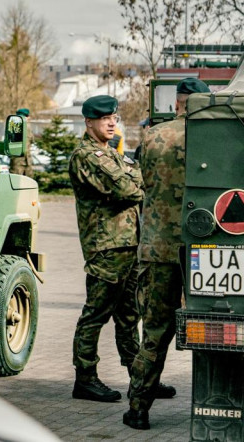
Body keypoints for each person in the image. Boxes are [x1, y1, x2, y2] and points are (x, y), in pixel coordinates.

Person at [123, 78, 209, 430]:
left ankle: (139, 409)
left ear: (176, 103)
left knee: (155, 331)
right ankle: (214, 403)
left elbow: (139, 181)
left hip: (158, 248)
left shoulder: (152, 137)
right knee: (215, 328)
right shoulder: (213, 137)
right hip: (204, 249)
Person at [68, 95, 144, 402]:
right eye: (105, 119)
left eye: (114, 118)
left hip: (127, 245)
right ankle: (85, 378)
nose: (112, 123)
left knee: (129, 316)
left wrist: (135, 179)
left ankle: (139, 378)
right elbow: (127, 188)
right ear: (89, 122)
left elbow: (138, 177)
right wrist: (135, 181)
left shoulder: (111, 154)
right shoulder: (86, 156)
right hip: (106, 248)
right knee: (95, 314)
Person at [8, 108, 33, 176]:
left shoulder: (28, 127)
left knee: (29, 183)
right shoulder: (15, 127)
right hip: (18, 160)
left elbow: (31, 140)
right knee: (16, 181)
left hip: (27, 160)